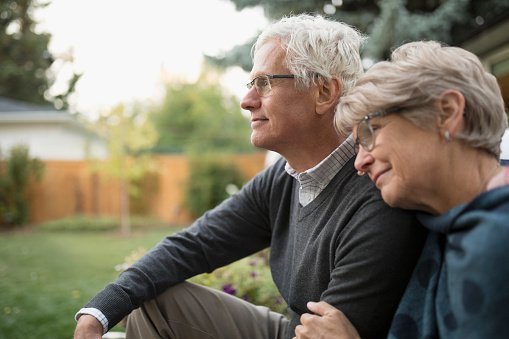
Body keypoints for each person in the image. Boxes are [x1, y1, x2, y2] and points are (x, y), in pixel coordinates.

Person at [74, 15, 427, 339]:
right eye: (250, 83)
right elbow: (196, 244)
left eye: (264, 83)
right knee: (158, 301)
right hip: (292, 331)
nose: (246, 100)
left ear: (323, 92)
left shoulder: (377, 194)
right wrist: (99, 312)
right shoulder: (284, 178)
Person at [294, 40, 509, 339]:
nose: (359, 163)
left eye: (370, 131)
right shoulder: (444, 227)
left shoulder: (497, 240)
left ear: (446, 113)